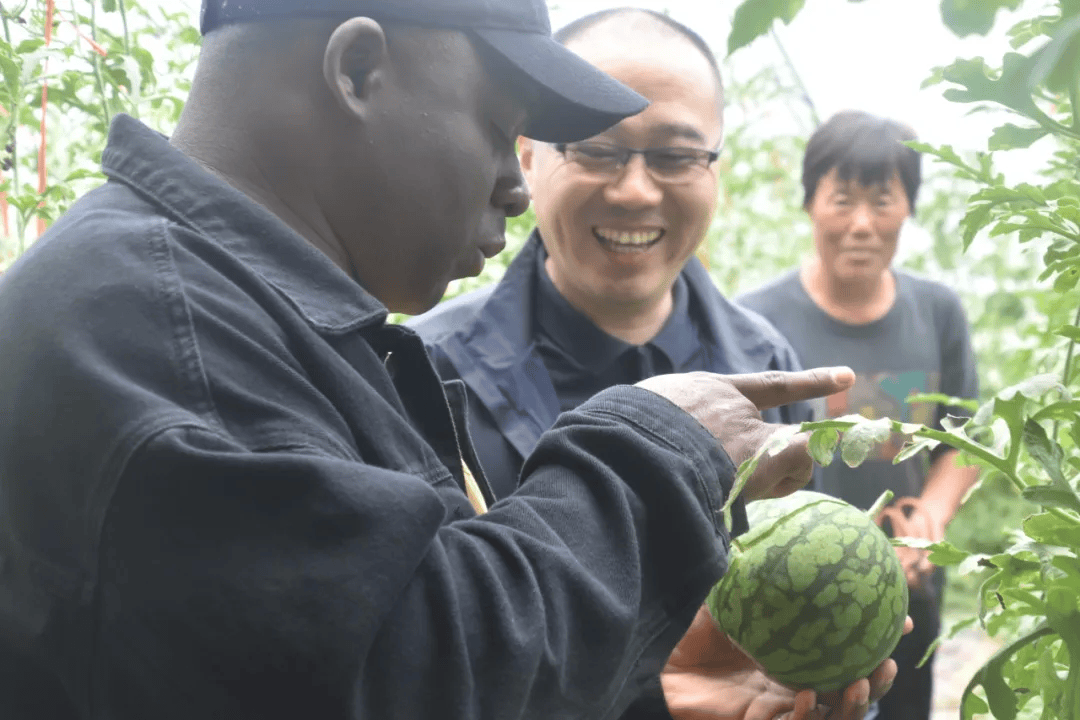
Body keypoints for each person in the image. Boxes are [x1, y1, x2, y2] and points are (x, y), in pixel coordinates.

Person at [0, 1, 896, 718]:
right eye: (499, 127)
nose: (516, 185)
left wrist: (645, 681)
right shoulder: (156, 337)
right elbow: (411, 682)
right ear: (358, 69)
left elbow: (357, 657)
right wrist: (652, 449)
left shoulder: (241, 320)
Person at [409, 7, 811, 500]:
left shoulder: (767, 366)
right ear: (528, 158)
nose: (635, 192)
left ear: (715, 171)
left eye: (675, 156)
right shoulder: (427, 373)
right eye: (597, 151)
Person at [738, 109, 981, 720]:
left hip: (908, 597)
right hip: (791, 605)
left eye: (883, 200)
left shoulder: (938, 312)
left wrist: (927, 521)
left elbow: (963, 442)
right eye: (843, 199)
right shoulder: (756, 322)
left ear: (909, 207)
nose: (862, 224)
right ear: (810, 203)